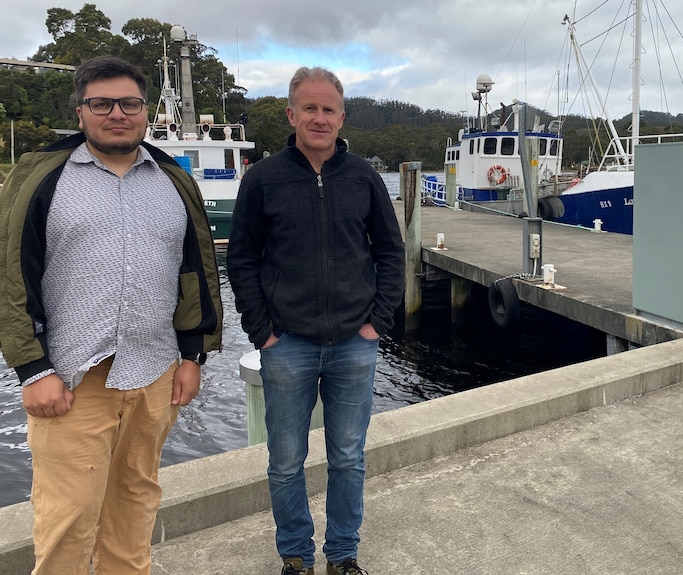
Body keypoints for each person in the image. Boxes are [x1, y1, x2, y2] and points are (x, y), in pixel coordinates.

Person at [0, 55, 223, 575]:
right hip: (73, 376)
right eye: (101, 103)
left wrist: (194, 355)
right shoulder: (40, 177)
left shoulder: (172, 179)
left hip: (155, 372)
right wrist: (32, 369)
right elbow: (10, 276)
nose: (116, 113)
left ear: (145, 110)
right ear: (80, 111)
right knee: (69, 514)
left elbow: (195, 271)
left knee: (134, 503)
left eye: (129, 103)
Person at [227, 66, 405, 575]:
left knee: (348, 457)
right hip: (286, 345)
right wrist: (261, 330)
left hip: (355, 341)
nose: (319, 117)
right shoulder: (263, 178)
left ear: (342, 117)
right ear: (291, 113)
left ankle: (343, 555)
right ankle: (296, 557)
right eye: (310, 108)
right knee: (285, 462)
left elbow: (392, 253)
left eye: (329, 109)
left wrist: (377, 323)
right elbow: (242, 258)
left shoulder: (364, 177)